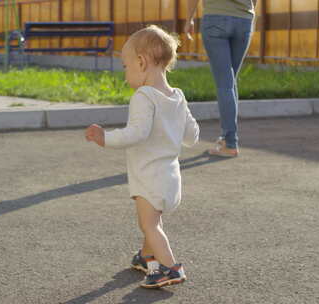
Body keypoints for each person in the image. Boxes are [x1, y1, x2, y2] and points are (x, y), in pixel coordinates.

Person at [85, 25, 200, 289]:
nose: (125, 74)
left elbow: (136, 134)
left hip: (149, 178)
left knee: (149, 225)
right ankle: (146, 257)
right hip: (171, 178)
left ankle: (170, 268)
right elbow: (192, 136)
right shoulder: (178, 96)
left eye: (126, 66)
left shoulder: (144, 95)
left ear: (141, 62)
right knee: (153, 222)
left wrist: (105, 138)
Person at [185, 0, 256, 157]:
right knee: (230, 81)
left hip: (215, 18)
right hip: (244, 19)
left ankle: (231, 143)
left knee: (225, 84)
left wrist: (189, 19)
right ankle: (226, 137)